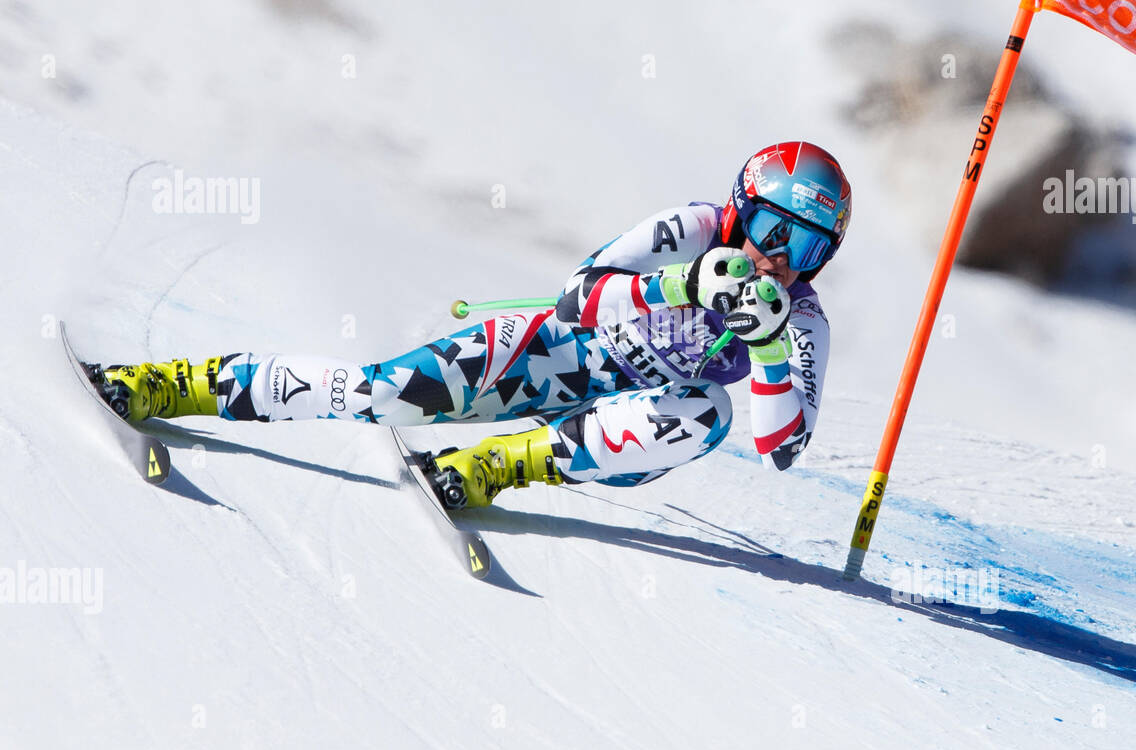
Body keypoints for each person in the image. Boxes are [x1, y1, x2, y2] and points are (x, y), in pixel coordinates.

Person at [94, 141, 851, 510]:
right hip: (558, 353)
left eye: (806, 246)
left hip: (618, 421)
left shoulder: (802, 322)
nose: (780, 258)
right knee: (384, 393)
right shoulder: (692, 228)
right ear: (740, 208)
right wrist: (682, 282)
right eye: (770, 229)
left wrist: (770, 347)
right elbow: (576, 295)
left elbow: (782, 448)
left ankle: (492, 467)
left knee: (707, 413)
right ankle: (172, 383)